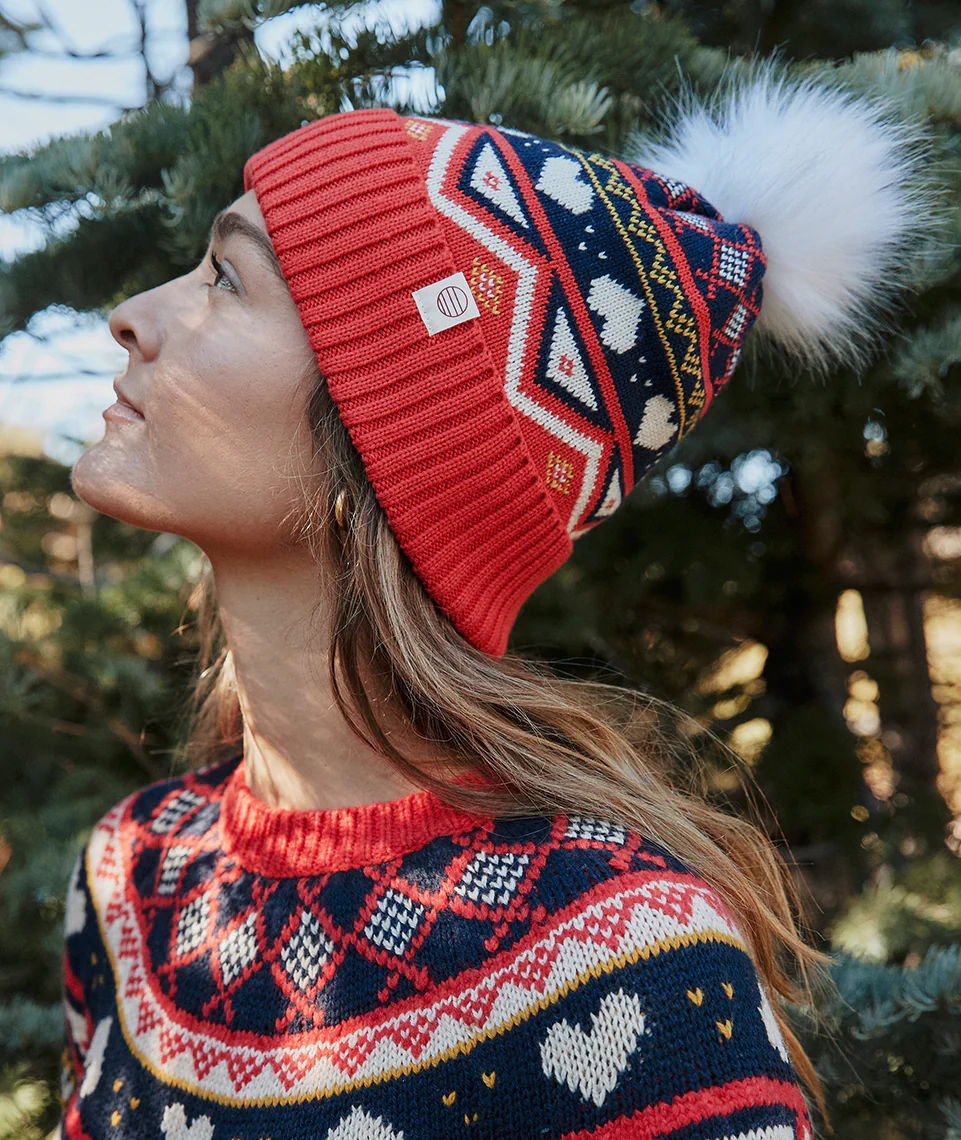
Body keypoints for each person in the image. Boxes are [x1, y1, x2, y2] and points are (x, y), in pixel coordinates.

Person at [58, 66, 927, 1140]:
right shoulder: (132, 880)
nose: (132, 318)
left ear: (381, 457)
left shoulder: (628, 964)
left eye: (226, 280)